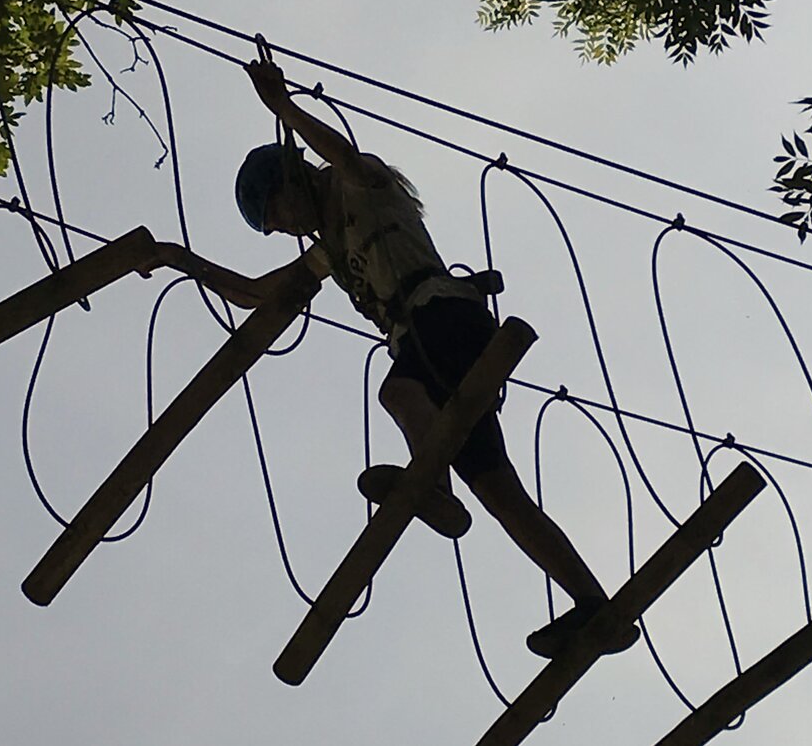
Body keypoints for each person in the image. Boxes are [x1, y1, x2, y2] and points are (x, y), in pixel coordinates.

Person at [231, 57, 637, 660]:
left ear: (289, 181)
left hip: (444, 318)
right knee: (501, 494)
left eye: (278, 214)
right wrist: (176, 261)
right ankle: (594, 605)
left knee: (397, 393)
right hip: (433, 349)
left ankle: (435, 488)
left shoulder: (358, 184)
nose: (288, 229)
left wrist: (284, 108)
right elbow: (267, 292)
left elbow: (345, 153)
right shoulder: (330, 248)